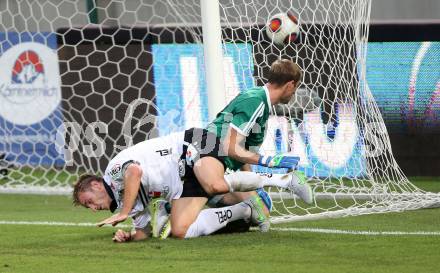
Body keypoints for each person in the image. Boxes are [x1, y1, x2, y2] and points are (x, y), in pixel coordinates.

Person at [152, 59, 314, 238]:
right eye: (296, 87)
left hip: (218, 161)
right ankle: (284, 180)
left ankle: (171, 208)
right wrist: (270, 161)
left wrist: (253, 185)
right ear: (290, 84)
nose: (294, 92)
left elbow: (240, 152)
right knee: (217, 188)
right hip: (208, 155)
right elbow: (229, 147)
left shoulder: (260, 102)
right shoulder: (255, 101)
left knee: (261, 210)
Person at [73, 128, 304, 242]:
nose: (94, 209)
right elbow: (144, 231)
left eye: (89, 202)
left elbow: (134, 171)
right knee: (181, 231)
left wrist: (123, 213)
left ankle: (282, 179)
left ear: (95, 185)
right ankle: (247, 208)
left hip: (191, 146)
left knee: (215, 185)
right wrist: (129, 236)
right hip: (185, 180)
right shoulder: (127, 202)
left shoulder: (112, 172)